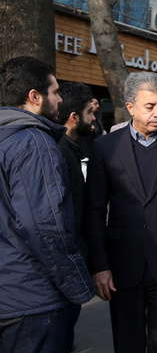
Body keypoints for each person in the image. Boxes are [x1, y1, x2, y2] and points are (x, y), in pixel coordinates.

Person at [84, 72, 157, 353]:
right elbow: (95, 210)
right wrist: (99, 265)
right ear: (130, 106)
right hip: (122, 262)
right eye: (150, 106)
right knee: (127, 343)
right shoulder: (105, 147)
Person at [0, 57, 94, 353]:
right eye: (54, 92)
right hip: (33, 300)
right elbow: (46, 225)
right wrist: (78, 287)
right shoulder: (34, 143)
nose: (59, 99)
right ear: (34, 96)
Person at [56, 81, 96, 259]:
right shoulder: (59, 152)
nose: (94, 118)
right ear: (74, 117)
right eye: (89, 112)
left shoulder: (68, 149)